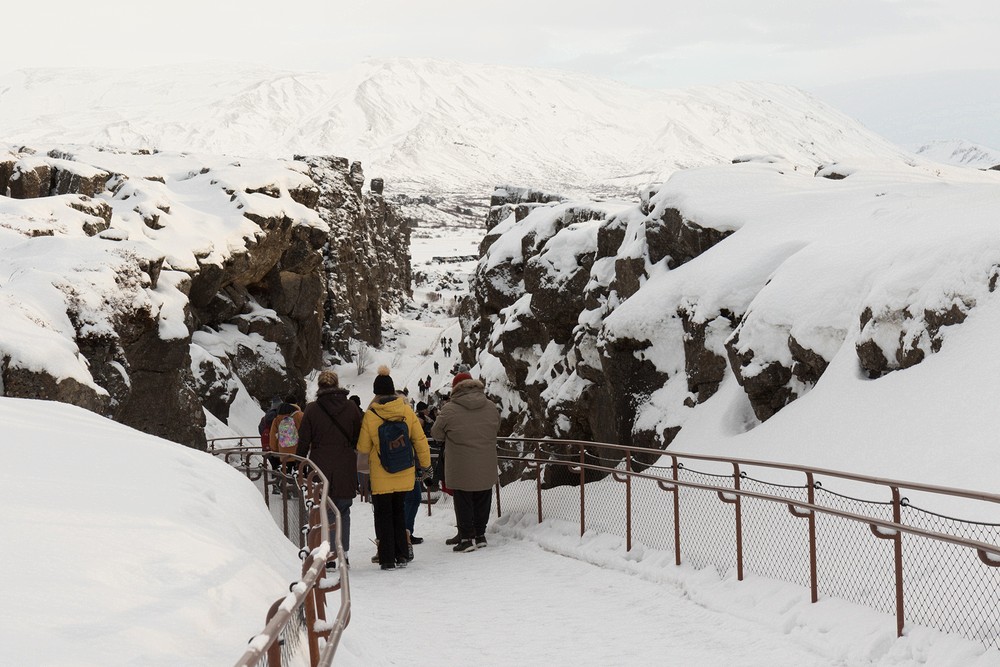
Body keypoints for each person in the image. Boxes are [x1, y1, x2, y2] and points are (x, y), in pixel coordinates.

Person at [357, 366, 431, 570]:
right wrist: (426, 466)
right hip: (404, 472)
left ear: (376, 393)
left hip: (382, 473)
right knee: (399, 511)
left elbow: (363, 447)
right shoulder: (406, 410)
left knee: (383, 515)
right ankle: (402, 555)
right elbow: (420, 440)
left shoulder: (371, 414)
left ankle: (387, 558)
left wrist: (363, 475)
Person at [296, 370, 361, 567]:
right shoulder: (351, 407)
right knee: (344, 509)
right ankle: (343, 552)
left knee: (324, 510)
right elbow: (358, 436)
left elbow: (304, 440)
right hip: (345, 463)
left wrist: (300, 463)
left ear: (320, 386)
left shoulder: (312, 409)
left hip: (320, 463)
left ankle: (328, 554)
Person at [431, 372, 500, 553]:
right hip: (486, 461)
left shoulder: (449, 409)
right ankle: (480, 535)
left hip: (460, 463)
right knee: (483, 499)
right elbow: (495, 427)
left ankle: (466, 538)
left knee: (463, 501)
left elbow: (436, 433)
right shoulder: (491, 406)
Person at [269, 397, 304, 496]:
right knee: (299, 471)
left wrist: (275, 450)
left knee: (286, 471)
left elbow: (273, 435)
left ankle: (286, 491)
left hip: (283, 451)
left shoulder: (277, 418)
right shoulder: (300, 415)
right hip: (298, 451)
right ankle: (298, 492)